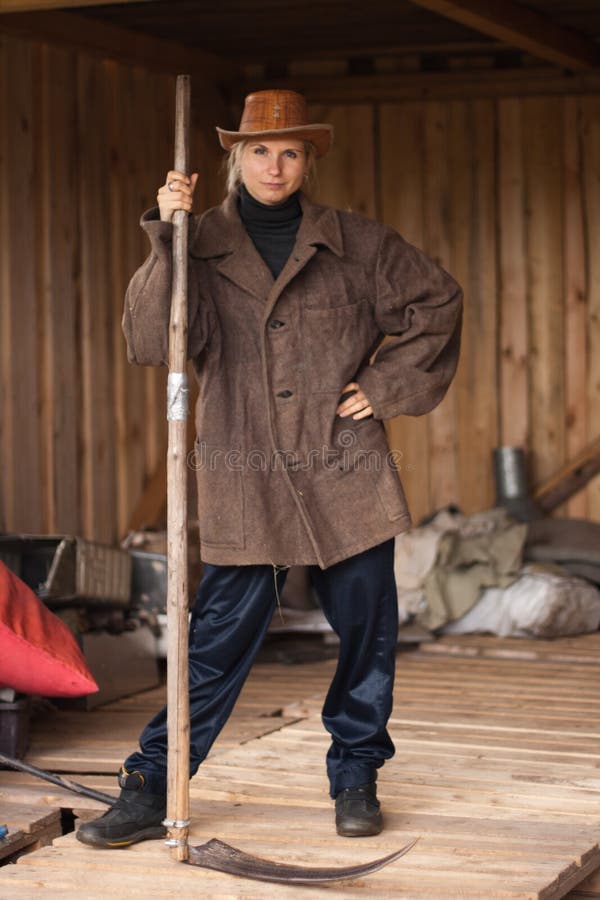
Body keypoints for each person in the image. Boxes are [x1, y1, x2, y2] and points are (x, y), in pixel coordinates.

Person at [77, 89, 462, 849]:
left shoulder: (356, 243)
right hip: (242, 464)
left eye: (290, 151)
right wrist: (168, 237)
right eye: (259, 150)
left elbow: (437, 303)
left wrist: (382, 387)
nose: (275, 165)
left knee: (366, 632)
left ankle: (356, 773)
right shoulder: (198, 241)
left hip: (342, 464)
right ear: (234, 159)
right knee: (217, 636)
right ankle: (153, 782)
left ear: (309, 159)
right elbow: (154, 340)